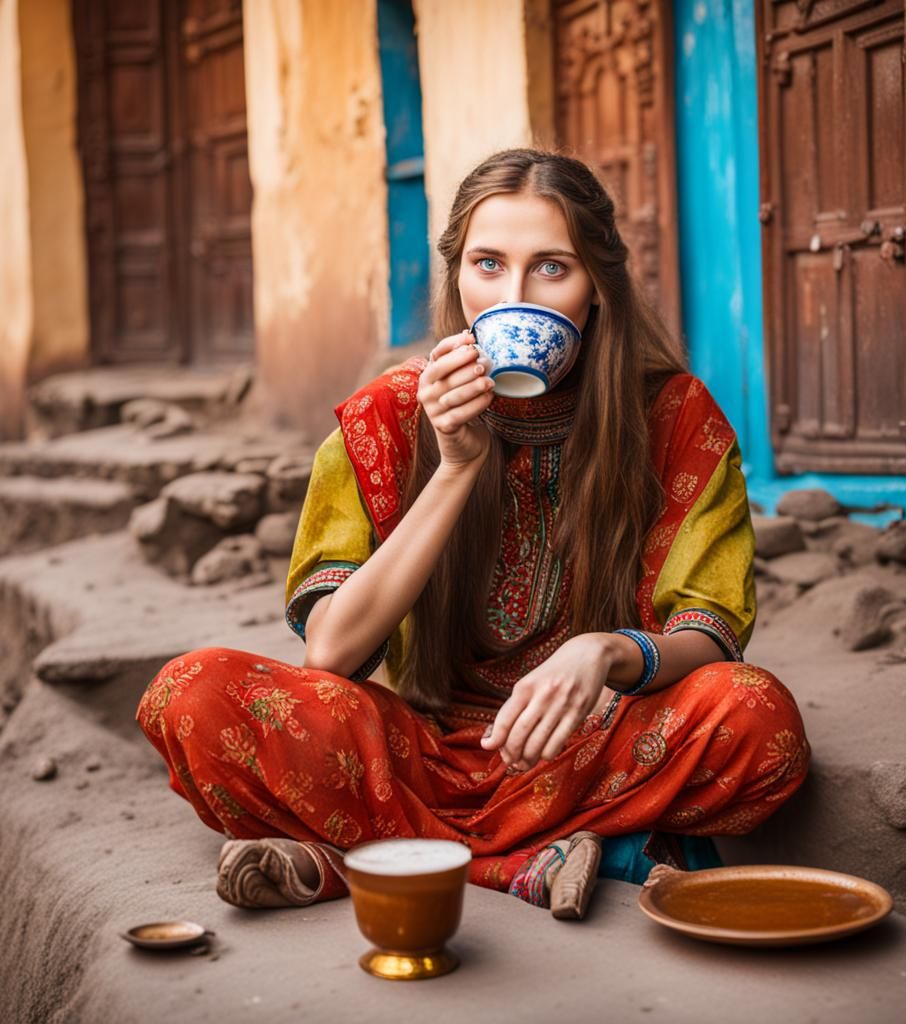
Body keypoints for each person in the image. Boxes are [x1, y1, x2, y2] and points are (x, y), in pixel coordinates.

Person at [137, 149, 810, 911]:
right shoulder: (389, 417)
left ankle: (358, 859)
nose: (513, 296)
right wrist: (456, 467)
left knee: (757, 717)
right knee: (189, 695)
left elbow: (712, 633)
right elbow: (331, 650)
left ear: (598, 288)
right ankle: (530, 862)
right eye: (488, 264)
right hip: (411, 746)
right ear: (457, 275)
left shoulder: (673, 416)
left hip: (590, 740)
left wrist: (610, 651)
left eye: (552, 268)